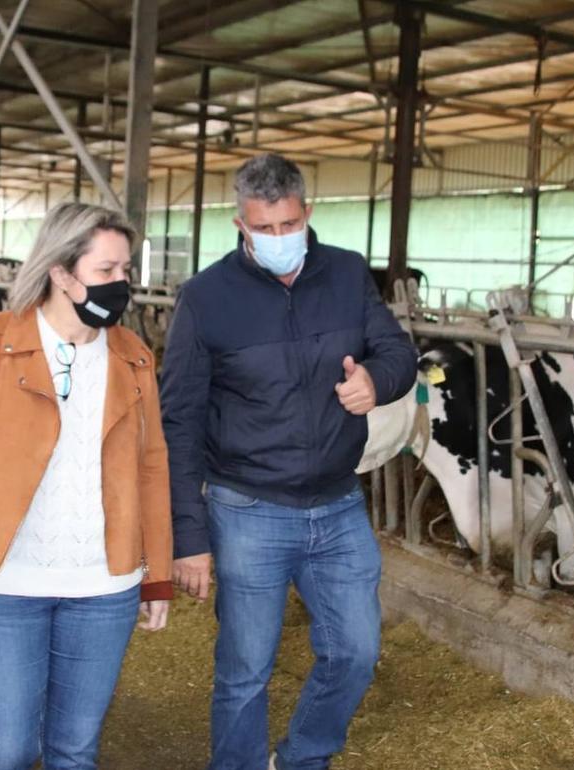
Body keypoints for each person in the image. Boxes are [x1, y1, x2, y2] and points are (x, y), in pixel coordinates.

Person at [160, 153, 419, 770]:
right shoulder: (205, 298)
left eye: (288, 225)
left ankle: (303, 757)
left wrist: (376, 382)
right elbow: (180, 419)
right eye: (263, 229)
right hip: (248, 506)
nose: (279, 239)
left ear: (308, 213)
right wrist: (187, 536)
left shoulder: (348, 274)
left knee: (356, 651)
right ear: (239, 225)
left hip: (338, 503)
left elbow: (398, 351)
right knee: (246, 669)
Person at [0, 202, 173, 770]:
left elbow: (152, 466)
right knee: (8, 748)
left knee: (75, 750)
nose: (122, 283)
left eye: (126, 270)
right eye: (106, 271)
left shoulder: (132, 357)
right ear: (61, 272)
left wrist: (155, 575)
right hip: (3, 585)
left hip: (103, 587)